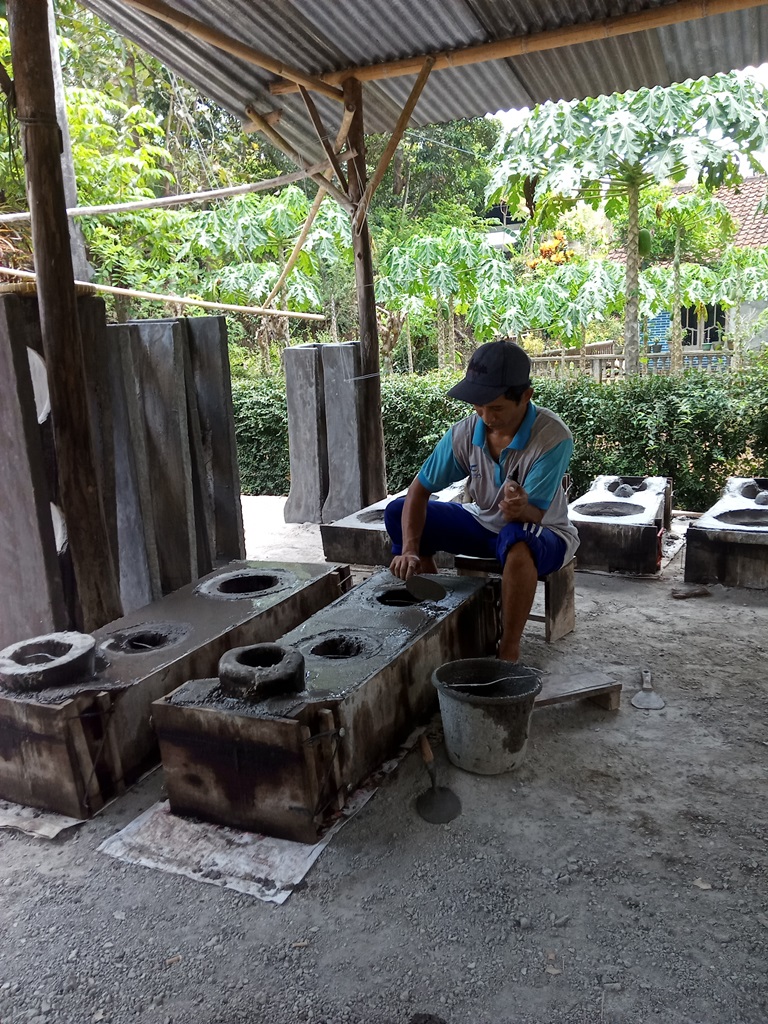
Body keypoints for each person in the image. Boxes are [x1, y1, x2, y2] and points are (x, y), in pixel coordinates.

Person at [384, 339, 579, 663]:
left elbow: (535, 512)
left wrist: (519, 508)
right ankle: (438, 605)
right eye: (478, 407)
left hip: (544, 532)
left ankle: (508, 649)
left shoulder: (552, 437)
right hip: (483, 524)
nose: (486, 417)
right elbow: (419, 490)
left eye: (496, 408)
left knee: (516, 538)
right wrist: (409, 550)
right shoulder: (464, 433)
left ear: (526, 396)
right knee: (397, 511)